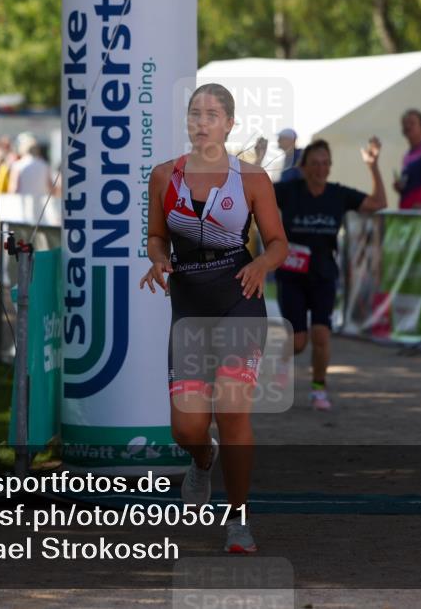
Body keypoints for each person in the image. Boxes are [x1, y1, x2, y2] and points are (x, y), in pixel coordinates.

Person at [140, 83, 288, 554]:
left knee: (232, 411)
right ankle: (203, 459)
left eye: (211, 114)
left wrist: (261, 264)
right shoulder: (164, 176)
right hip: (189, 306)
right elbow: (155, 238)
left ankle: (238, 521)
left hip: (238, 299)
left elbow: (279, 243)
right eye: (194, 113)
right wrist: (158, 259)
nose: (202, 121)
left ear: (229, 124)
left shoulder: (251, 179)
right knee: (186, 428)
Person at [273, 138, 387, 410]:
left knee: (321, 334)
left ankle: (318, 389)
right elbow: (252, 192)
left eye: (325, 163)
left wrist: (373, 166)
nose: (320, 168)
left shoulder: (338, 194)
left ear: (330, 166)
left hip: (323, 275)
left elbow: (379, 202)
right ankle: (281, 362)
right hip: (291, 276)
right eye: (314, 163)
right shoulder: (289, 191)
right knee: (299, 341)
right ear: (303, 167)